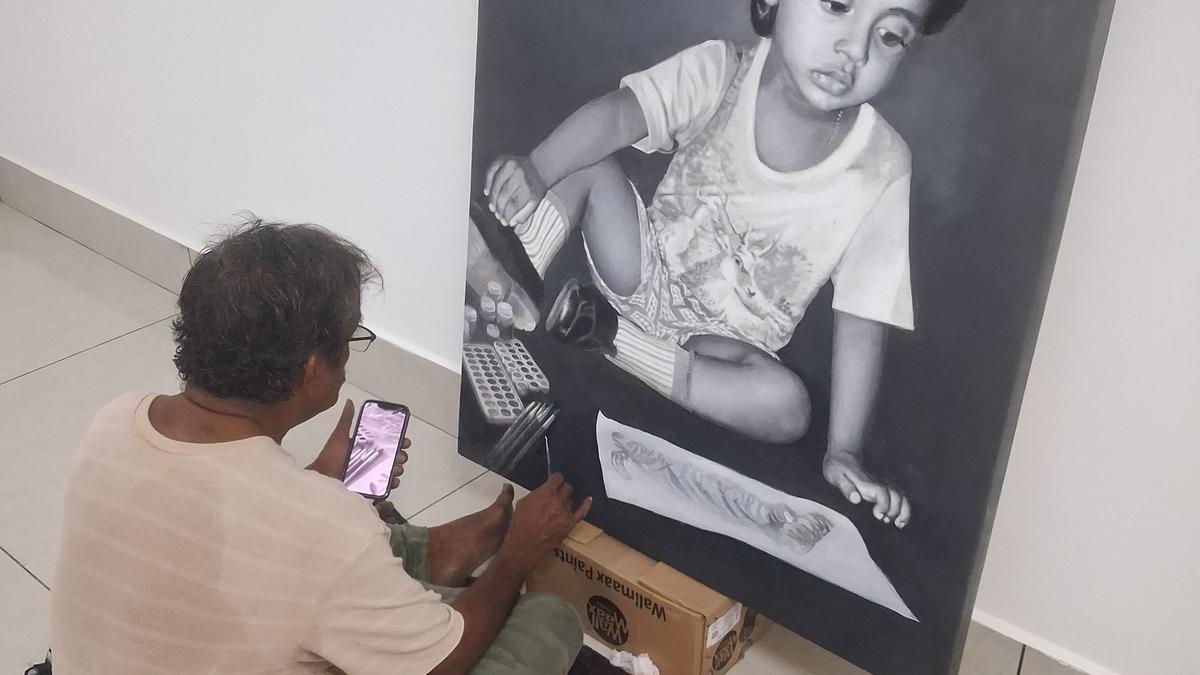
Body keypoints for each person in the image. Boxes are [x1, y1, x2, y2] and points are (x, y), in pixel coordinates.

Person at [473, 0, 968, 529]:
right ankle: (518, 281)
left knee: (788, 407)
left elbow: (863, 315)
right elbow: (620, 113)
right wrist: (537, 168)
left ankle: (612, 338)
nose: (855, 49)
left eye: (890, 35)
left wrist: (844, 449)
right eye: (837, 4)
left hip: (720, 346)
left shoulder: (883, 165)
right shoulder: (723, 70)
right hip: (643, 272)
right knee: (589, 166)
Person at [50, 223, 590, 674]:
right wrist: (516, 557)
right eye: (352, 338)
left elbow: (235, 525)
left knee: (345, 539)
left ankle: (435, 560)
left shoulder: (116, 418)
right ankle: (428, 584)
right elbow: (442, 667)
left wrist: (316, 480)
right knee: (548, 620)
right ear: (310, 369)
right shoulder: (321, 524)